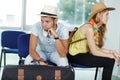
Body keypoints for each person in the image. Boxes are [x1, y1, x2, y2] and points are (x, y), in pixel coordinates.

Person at [67, 2, 120, 80]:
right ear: (98, 15)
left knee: (110, 59)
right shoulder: (89, 28)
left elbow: (95, 48)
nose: (108, 17)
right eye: (106, 14)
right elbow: (94, 51)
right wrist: (111, 56)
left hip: (83, 54)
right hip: (75, 56)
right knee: (109, 61)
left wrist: (112, 52)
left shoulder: (95, 28)